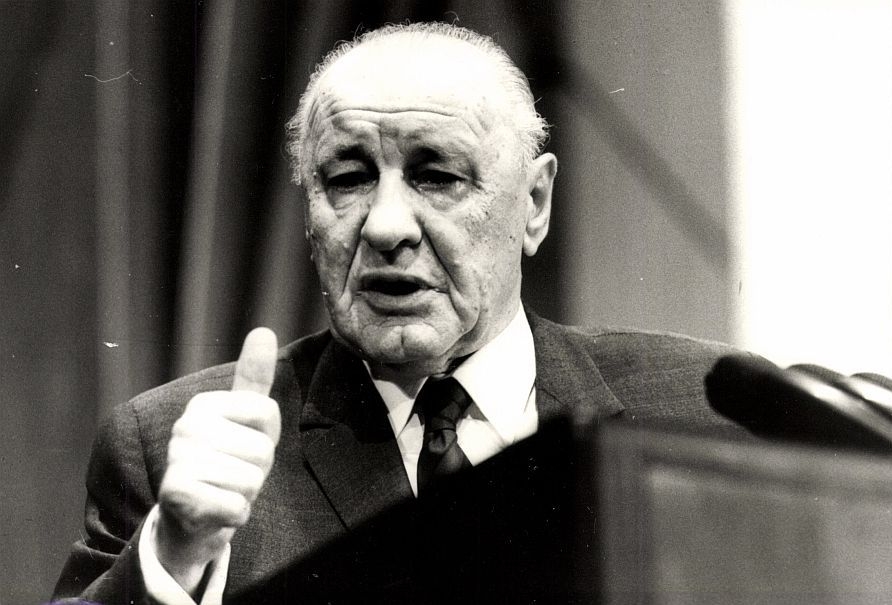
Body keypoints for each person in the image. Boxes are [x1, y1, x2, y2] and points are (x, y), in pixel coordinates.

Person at [53, 22, 741, 604]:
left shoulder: (704, 413)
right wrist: (173, 556)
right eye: (348, 178)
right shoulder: (168, 450)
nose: (385, 225)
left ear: (534, 204)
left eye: (437, 175)